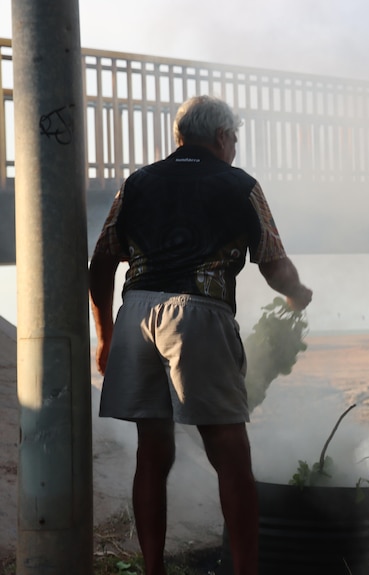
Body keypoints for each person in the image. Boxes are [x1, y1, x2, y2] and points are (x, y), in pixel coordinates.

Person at [89, 95, 313, 575]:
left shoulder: (136, 183)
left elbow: (102, 263)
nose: (235, 147)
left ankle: (152, 569)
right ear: (223, 137)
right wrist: (298, 295)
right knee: (230, 452)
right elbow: (273, 264)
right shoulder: (241, 185)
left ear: (179, 137)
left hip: (137, 312)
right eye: (235, 139)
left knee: (152, 449)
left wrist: (107, 336)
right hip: (197, 313)